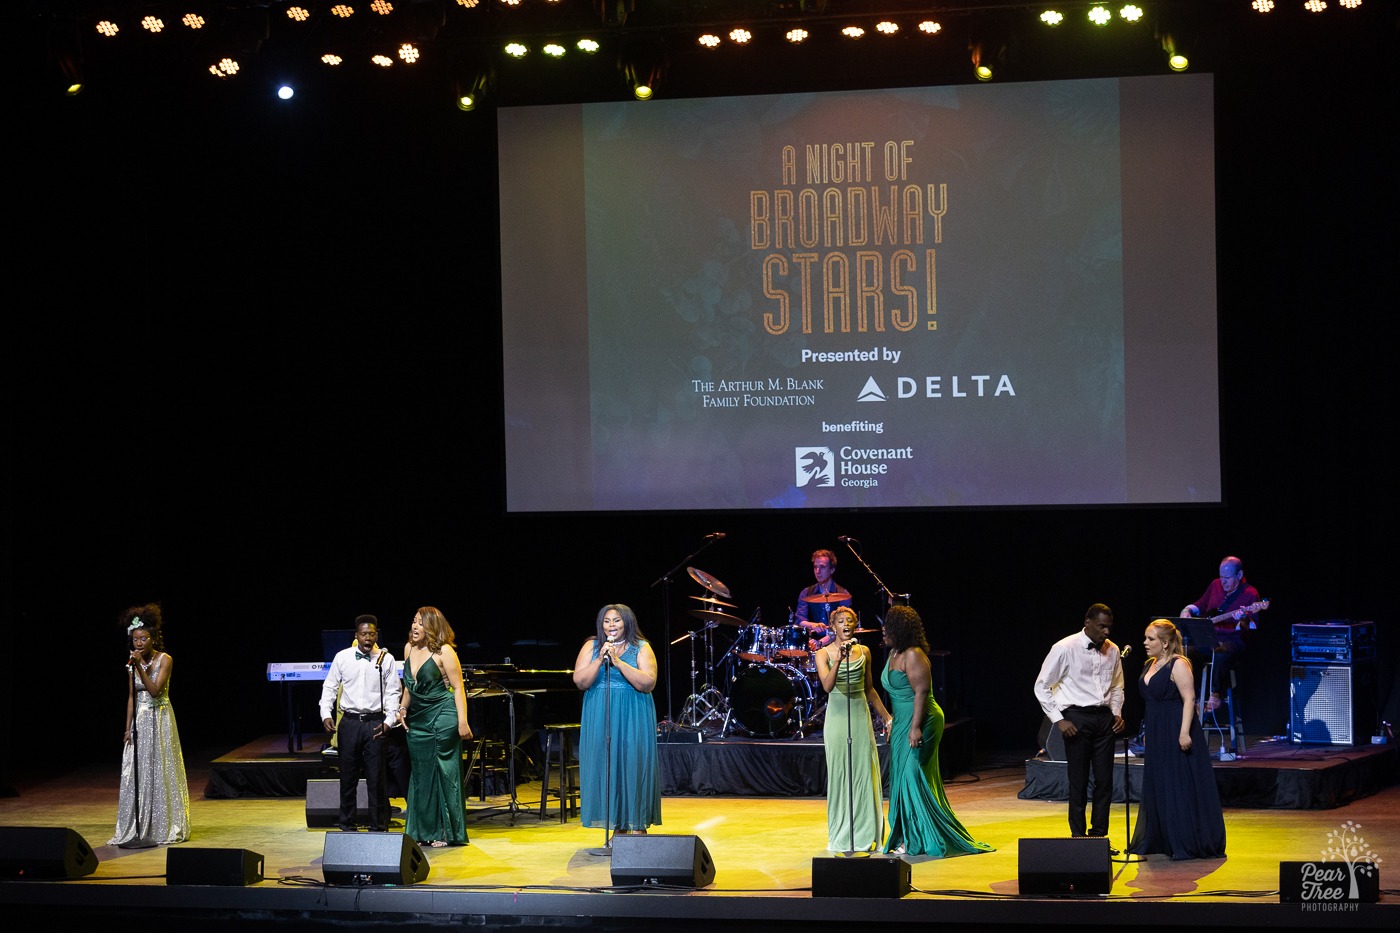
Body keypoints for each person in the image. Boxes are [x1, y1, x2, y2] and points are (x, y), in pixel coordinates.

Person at [880, 604, 993, 858]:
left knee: (912, 775)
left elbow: (921, 692)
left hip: (923, 719)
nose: (883, 628)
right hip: (901, 722)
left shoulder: (913, 653)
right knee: (901, 779)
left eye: (889, 624)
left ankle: (921, 836)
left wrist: (916, 727)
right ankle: (909, 835)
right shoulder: (894, 653)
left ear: (901, 628)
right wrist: (894, 724)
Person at [1128, 620, 1227, 860]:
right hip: (1156, 728)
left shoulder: (1179, 664)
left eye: (1150, 639)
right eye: (1145, 638)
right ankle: (1161, 838)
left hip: (1176, 727)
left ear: (1164, 642)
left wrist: (1184, 733)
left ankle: (1183, 839)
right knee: (1160, 782)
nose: (1145, 643)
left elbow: (1189, 699)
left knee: (1178, 783)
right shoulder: (1150, 664)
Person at [1033, 603, 1125, 848]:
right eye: (1101, 626)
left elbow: (1117, 686)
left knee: (1105, 780)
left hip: (1103, 718)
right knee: (1079, 779)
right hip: (1077, 718)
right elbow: (1041, 686)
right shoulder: (1065, 648)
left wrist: (1116, 712)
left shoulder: (1113, 650)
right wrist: (1059, 719)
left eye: (1109, 627)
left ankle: (1099, 836)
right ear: (1088, 623)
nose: (1106, 632)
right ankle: (1078, 836)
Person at [573, 603, 661, 835]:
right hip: (600, 712)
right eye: (607, 621)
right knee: (606, 765)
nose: (611, 625)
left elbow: (648, 683)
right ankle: (617, 827)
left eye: (617, 620)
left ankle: (638, 825)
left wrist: (619, 663)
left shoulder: (641, 647)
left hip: (633, 712)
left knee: (633, 764)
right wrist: (599, 659)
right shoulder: (592, 646)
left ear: (627, 622)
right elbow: (581, 682)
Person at [110, 604, 191, 848]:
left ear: (153, 639)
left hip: (161, 718)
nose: (139, 643)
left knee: (161, 769)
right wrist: (126, 729)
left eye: (144, 638)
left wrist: (139, 668)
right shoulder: (131, 665)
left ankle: (164, 824)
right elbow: (131, 697)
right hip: (140, 721)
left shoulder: (165, 659)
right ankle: (139, 825)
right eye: (135, 639)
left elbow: (155, 691)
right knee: (139, 770)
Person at [816, 605, 892, 852]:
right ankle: (841, 833)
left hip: (859, 715)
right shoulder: (822, 653)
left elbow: (870, 689)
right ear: (833, 626)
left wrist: (887, 718)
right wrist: (838, 659)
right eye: (840, 621)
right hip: (837, 718)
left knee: (862, 773)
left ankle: (866, 832)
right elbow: (827, 686)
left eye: (849, 620)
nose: (845, 624)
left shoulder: (865, 651)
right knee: (840, 774)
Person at [397, 606, 471, 847]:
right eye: (414, 621)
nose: (414, 626)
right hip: (418, 719)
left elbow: (458, 688)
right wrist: (402, 708)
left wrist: (462, 721)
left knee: (442, 772)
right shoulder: (409, 648)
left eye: (420, 622)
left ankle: (444, 831)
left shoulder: (445, 652)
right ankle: (421, 831)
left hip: (442, 715)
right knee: (421, 774)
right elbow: (409, 685)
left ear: (432, 627)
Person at [320, 615, 401, 834]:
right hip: (350, 723)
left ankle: (378, 826)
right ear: (356, 636)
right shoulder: (343, 657)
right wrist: (326, 713)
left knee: (376, 778)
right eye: (364, 634)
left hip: (375, 723)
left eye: (372, 634)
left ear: (377, 635)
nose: (368, 638)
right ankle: (347, 825)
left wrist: (389, 721)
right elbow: (329, 687)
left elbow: (394, 691)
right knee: (348, 777)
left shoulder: (386, 659)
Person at [1180, 555, 1263, 712]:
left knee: (1220, 653)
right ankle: (1196, 698)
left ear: (1239, 575)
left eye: (1227, 578)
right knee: (1185, 653)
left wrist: (1243, 619)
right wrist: (1188, 610)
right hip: (1210, 639)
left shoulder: (1250, 593)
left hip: (1233, 642)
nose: (1223, 582)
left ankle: (1215, 694)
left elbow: (1250, 627)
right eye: (1221, 577)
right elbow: (1201, 604)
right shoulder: (1215, 585)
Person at [796, 548, 852, 651]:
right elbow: (800, 621)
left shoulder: (843, 594)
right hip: (811, 644)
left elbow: (843, 627)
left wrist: (822, 642)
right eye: (815, 567)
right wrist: (813, 625)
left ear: (832, 569)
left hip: (836, 645)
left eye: (822, 567)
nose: (818, 571)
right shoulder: (806, 593)